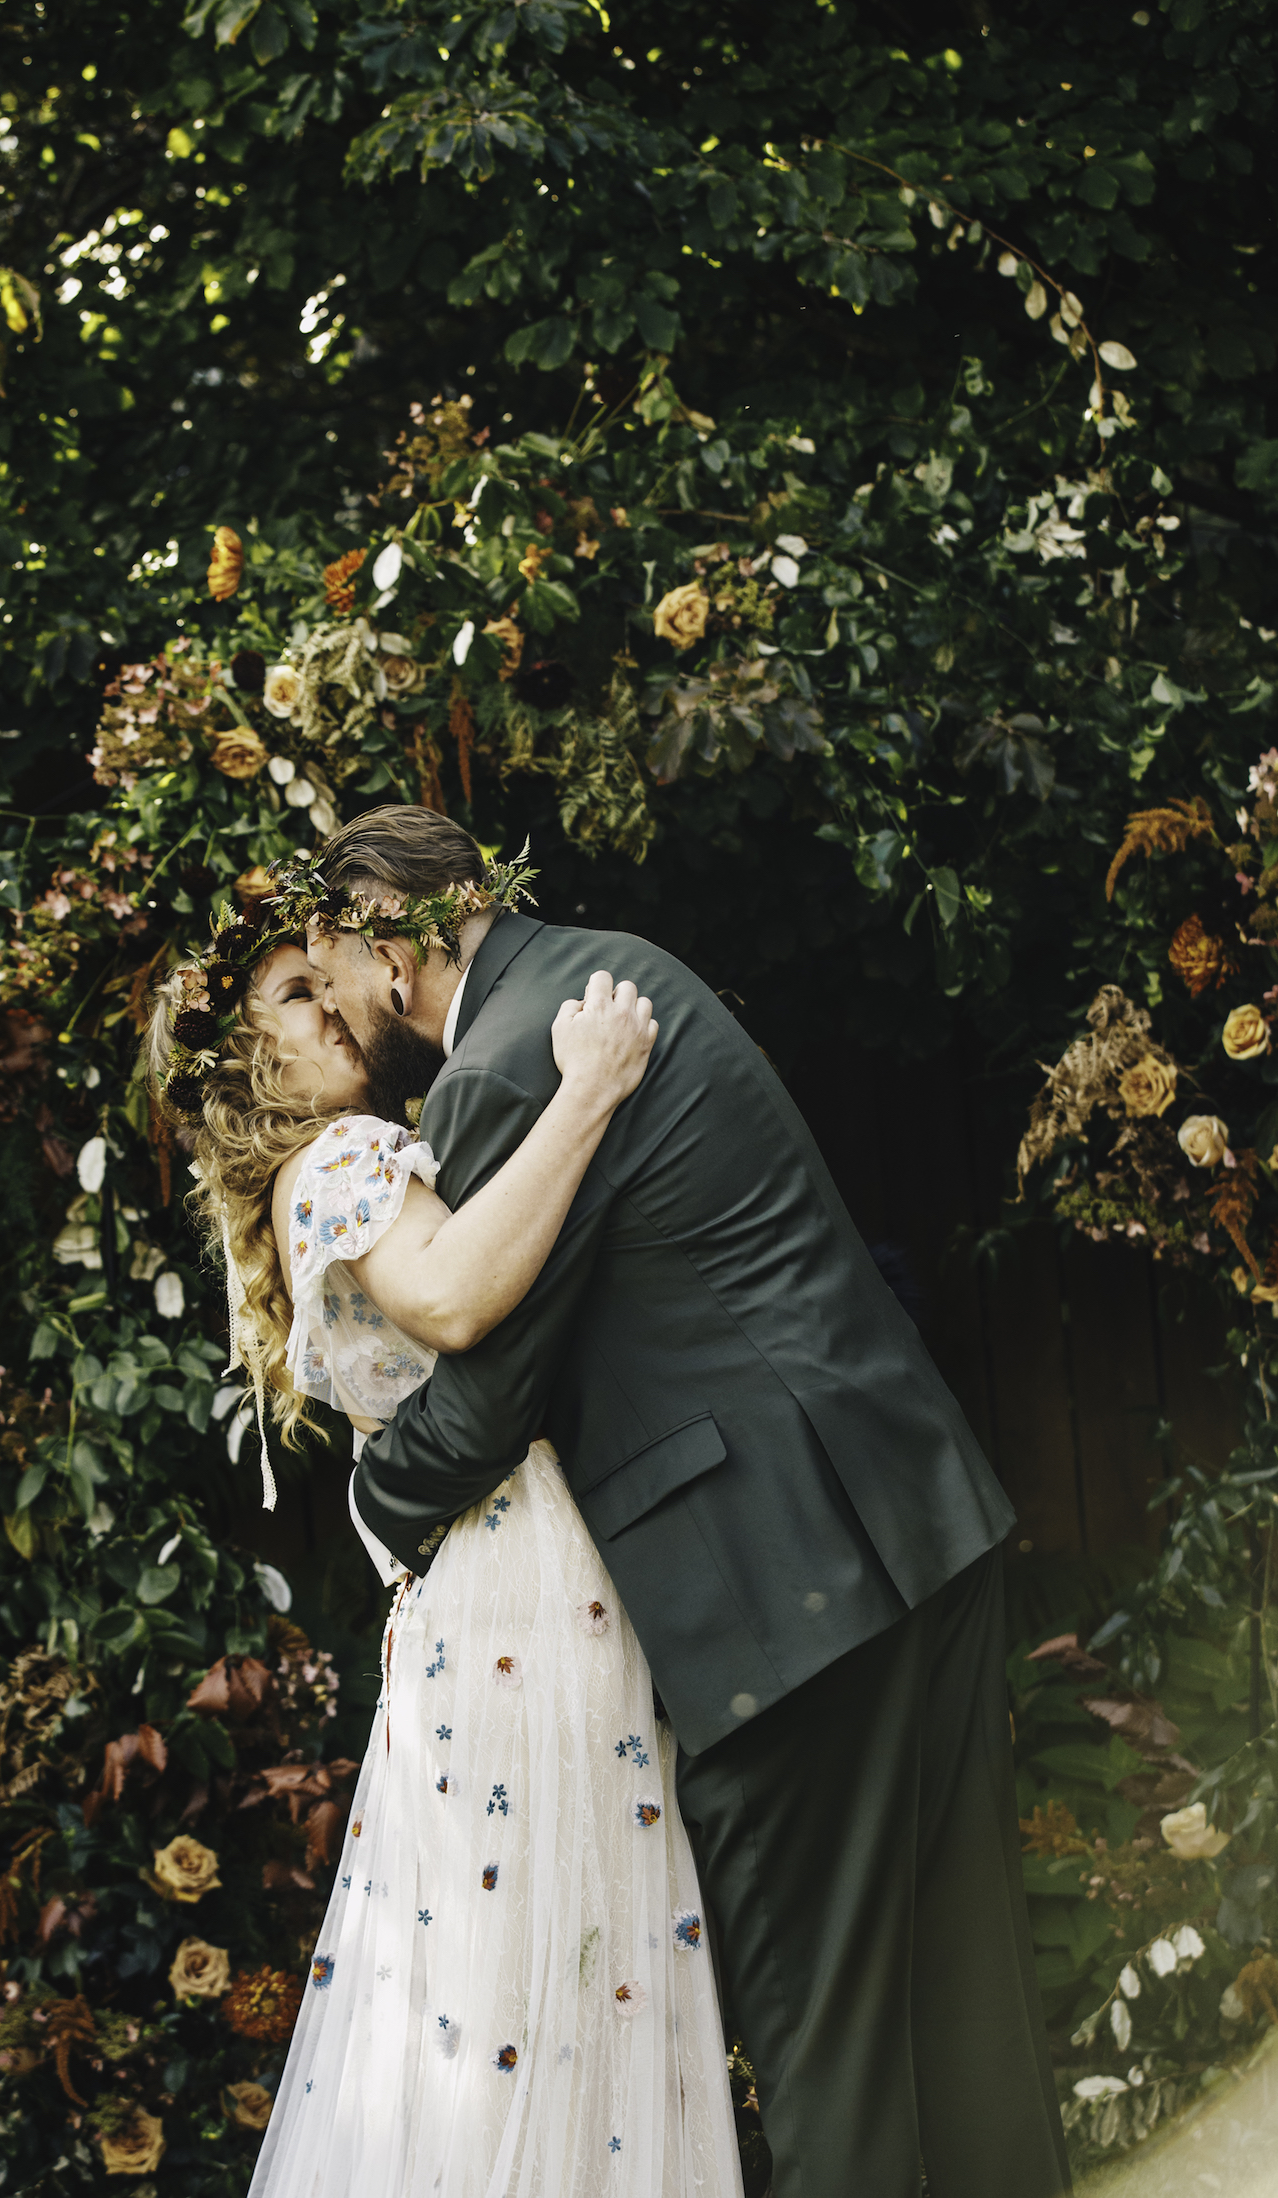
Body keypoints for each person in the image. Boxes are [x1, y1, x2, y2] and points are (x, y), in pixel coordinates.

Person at [284, 806, 1073, 2198]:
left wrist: (375, 1504)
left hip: (783, 1597)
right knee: (967, 2019)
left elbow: (488, 1392)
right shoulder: (613, 970)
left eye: (328, 968)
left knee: (829, 2057)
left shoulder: (505, 1068)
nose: (342, 1012)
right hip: (911, 1518)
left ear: (389, 942)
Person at [145, 917, 743, 2198]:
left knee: (508, 1980)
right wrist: (588, 1091)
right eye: (300, 999)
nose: (336, 1009)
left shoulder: (313, 1177)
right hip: (525, 1586)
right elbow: (463, 1296)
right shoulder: (349, 1156)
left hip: (472, 1601)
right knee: (570, 1958)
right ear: (251, 1065)